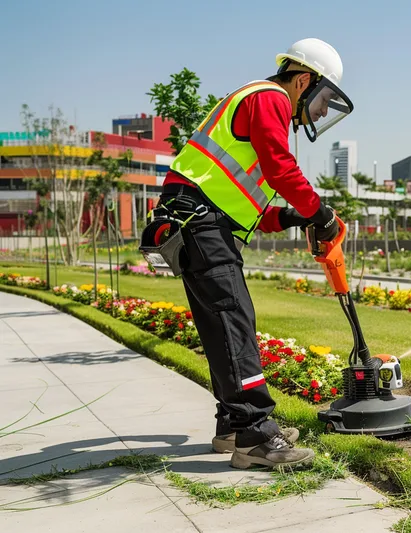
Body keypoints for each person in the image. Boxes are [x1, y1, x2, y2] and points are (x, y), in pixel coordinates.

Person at [142, 38, 354, 470]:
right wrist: (321, 212)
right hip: (200, 222)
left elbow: (248, 207)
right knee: (234, 319)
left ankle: (232, 427)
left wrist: (295, 217)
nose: (319, 113)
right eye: (323, 101)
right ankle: (256, 434)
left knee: (222, 324)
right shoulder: (269, 97)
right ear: (302, 81)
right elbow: (280, 167)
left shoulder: (258, 106)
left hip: (201, 222)